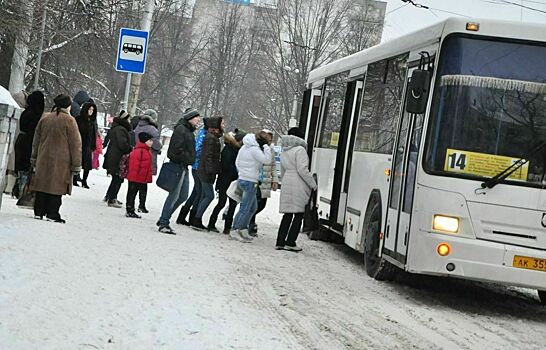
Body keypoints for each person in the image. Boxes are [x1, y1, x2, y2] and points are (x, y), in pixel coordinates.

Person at [30, 94, 82, 223]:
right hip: (61, 160)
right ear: (68, 105)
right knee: (56, 186)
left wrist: (34, 157)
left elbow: (36, 140)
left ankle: (39, 211)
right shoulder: (70, 121)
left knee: (42, 184)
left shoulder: (45, 117)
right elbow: (75, 144)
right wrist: (76, 164)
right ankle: (52, 213)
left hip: (43, 157)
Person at [157, 108, 201, 234]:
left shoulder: (188, 131)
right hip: (178, 166)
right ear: (190, 118)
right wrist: (187, 158)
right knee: (174, 195)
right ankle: (164, 222)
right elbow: (175, 150)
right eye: (196, 117)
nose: (198, 120)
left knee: (183, 196)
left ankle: (164, 218)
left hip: (184, 167)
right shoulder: (181, 129)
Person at [276, 127, 317, 251]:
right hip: (298, 182)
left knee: (287, 214)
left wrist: (284, 181)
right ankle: (291, 242)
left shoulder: (285, 150)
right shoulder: (300, 150)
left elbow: (282, 169)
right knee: (298, 214)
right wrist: (313, 184)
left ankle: (280, 241)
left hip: (287, 180)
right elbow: (302, 169)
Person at [229, 133, 272, 242]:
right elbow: (267, 160)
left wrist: (242, 173)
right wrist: (267, 148)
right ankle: (235, 229)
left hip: (243, 178)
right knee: (246, 207)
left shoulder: (244, 147)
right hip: (250, 180)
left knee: (253, 207)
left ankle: (243, 229)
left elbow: (237, 162)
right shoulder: (255, 150)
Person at [208, 129, 246, 233]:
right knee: (222, 203)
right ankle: (212, 224)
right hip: (225, 180)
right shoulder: (229, 149)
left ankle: (227, 227)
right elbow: (226, 165)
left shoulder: (237, 150)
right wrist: (238, 170)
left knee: (232, 204)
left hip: (231, 181)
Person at [192, 117, 224, 230]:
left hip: (205, 170)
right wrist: (212, 170)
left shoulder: (213, 137)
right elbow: (209, 156)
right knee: (209, 195)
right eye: (222, 123)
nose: (224, 125)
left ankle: (196, 217)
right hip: (206, 171)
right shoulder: (211, 138)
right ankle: (197, 219)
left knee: (203, 194)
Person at [176, 118, 208, 225]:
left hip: (198, 166)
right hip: (198, 166)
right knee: (199, 193)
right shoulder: (204, 134)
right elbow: (197, 150)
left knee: (195, 192)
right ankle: (192, 217)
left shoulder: (202, 133)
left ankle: (184, 216)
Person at [14, 91, 45, 196]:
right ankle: (23, 190)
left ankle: (18, 186)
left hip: (21, 139)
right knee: (27, 166)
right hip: (30, 141)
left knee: (21, 165)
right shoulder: (38, 115)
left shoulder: (26, 112)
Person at [249, 130, 279, 236]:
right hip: (256, 179)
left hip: (266, 180)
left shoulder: (271, 150)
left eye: (271, 137)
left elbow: (273, 165)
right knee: (254, 203)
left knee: (262, 204)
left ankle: (248, 219)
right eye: (268, 137)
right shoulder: (257, 148)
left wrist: (275, 180)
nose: (270, 139)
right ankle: (250, 223)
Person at [103, 111, 133, 207]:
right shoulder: (121, 129)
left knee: (116, 178)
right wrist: (130, 148)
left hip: (113, 155)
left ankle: (109, 196)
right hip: (117, 157)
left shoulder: (116, 127)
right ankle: (112, 199)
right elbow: (122, 144)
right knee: (118, 178)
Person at [125, 132, 154, 219]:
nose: (152, 142)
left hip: (142, 177)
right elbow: (134, 166)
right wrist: (133, 178)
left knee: (139, 191)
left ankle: (137, 207)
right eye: (150, 140)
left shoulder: (146, 151)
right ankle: (130, 209)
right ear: (145, 141)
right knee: (132, 193)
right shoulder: (138, 151)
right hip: (136, 177)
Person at [75, 101, 98, 189]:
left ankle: (84, 180)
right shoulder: (79, 119)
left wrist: (93, 145)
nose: (91, 111)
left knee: (87, 165)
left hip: (88, 146)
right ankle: (75, 179)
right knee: (78, 162)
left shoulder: (91, 121)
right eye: (89, 109)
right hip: (79, 144)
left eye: (92, 110)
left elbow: (93, 134)